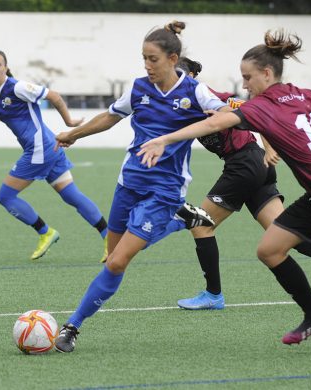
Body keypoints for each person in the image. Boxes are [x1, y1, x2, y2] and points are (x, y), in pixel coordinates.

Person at [138, 30, 311, 359]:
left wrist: (166, 139)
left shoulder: (263, 106)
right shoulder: (300, 94)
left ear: (266, 73)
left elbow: (214, 125)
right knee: (270, 249)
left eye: (247, 78)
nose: (244, 85)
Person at [51, 21, 225, 353]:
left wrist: (177, 136)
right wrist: (74, 134)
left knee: (119, 262)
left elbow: (225, 117)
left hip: (164, 191)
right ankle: (181, 221)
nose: (147, 65)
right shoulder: (138, 88)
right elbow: (110, 116)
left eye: (153, 59)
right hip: (128, 183)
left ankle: (71, 327)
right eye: (143, 58)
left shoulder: (195, 92)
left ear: (173, 58)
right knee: (112, 258)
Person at [174, 57, 311, 310]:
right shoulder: (177, 104)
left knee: (201, 225)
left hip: (245, 165)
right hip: (254, 165)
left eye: (182, 74)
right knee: (285, 233)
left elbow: (254, 109)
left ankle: (213, 295)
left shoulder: (210, 94)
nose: (177, 80)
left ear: (192, 75)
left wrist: (267, 145)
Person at [0, 50, 108, 261]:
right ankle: (109, 236)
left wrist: (69, 122)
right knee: (71, 195)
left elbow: (53, 95)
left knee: (5, 196)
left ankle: (45, 232)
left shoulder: (17, 87)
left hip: (40, 150)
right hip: (51, 146)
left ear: (5, 67)